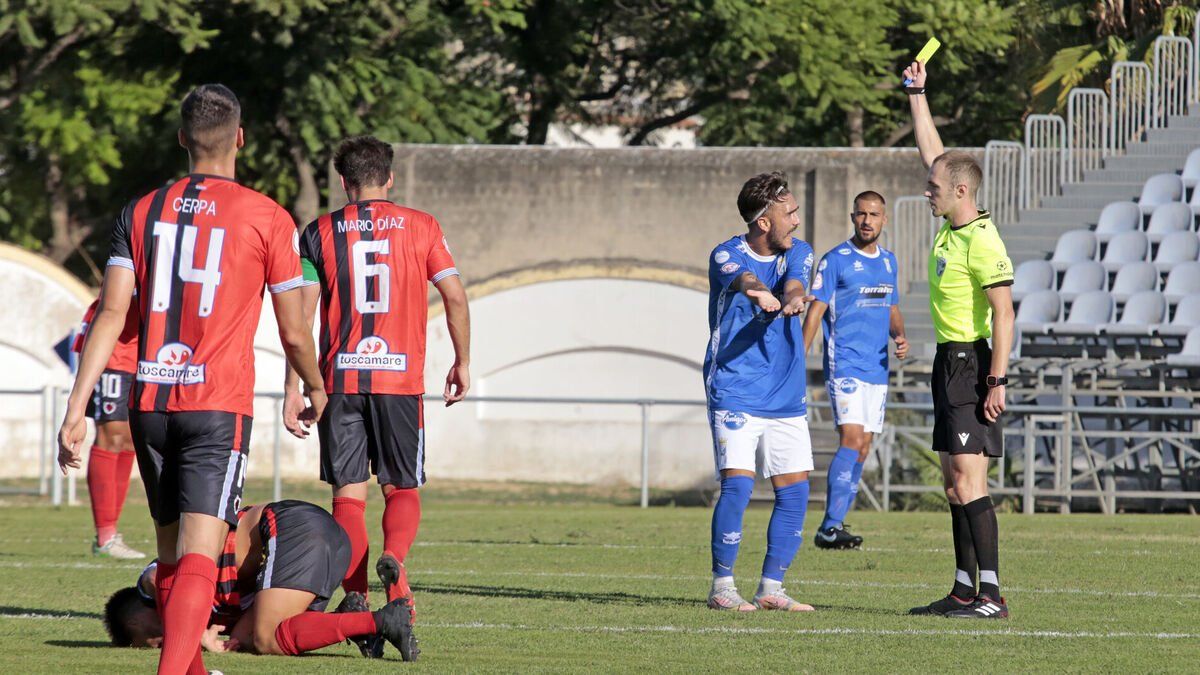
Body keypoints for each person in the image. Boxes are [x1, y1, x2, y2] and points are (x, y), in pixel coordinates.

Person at [58, 83, 328, 674]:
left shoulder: (141, 210)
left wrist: (77, 408)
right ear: (240, 138)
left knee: (173, 558)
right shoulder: (268, 216)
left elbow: (110, 312)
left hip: (149, 400)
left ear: (182, 139)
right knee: (201, 557)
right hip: (216, 404)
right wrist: (315, 385)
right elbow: (293, 332)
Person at [283, 135, 471, 624]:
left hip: (339, 379)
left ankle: (358, 594)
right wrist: (462, 361)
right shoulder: (423, 226)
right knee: (401, 488)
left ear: (345, 183)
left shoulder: (317, 231)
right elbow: (453, 296)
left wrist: (296, 386)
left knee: (347, 495)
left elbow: (298, 319)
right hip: (399, 380)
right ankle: (398, 567)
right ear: (389, 178)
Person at [902, 60, 1015, 619]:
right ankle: (962, 590)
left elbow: (1005, 314)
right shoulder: (953, 225)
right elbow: (934, 155)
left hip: (973, 365)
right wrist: (918, 96)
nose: (927, 190)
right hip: (948, 362)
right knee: (951, 483)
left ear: (961, 191)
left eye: (935, 188)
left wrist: (997, 379)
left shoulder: (984, 241)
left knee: (970, 481)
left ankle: (991, 595)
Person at [103, 499, 417, 660]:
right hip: (319, 539)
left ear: (137, 612)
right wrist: (225, 643)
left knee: (267, 637)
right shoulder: (212, 613)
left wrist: (195, 630)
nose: (160, 640)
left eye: (151, 636)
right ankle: (351, 617)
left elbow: (155, 577)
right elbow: (242, 636)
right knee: (256, 639)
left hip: (290, 528)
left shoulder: (156, 583)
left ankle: (381, 621)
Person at [703, 171, 817, 612]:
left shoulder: (798, 251)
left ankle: (772, 588)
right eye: (789, 213)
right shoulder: (726, 253)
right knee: (738, 487)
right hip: (734, 386)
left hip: (784, 389)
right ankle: (722, 587)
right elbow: (744, 280)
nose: (797, 220)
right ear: (764, 222)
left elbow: (794, 283)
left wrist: (788, 298)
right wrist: (759, 295)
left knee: (795, 490)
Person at [802, 191, 908, 549]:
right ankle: (829, 526)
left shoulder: (890, 263)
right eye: (861, 214)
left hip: (877, 367)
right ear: (852, 217)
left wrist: (900, 336)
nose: (867, 221)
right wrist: (799, 355)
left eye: (874, 214)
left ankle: (837, 525)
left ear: (884, 219)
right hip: (844, 363)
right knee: (851, 439)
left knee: (864, 447)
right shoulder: (835, 260)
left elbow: (891, 305)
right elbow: (815, 311)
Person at [72, 299, 146, 559]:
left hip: (141, 354)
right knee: (111, 435)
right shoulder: (141, 258)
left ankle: (111, 535)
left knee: (129, 440)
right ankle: (105, 536)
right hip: (113, 351)